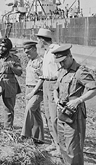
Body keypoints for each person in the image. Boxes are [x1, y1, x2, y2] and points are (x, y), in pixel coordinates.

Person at [52, 44, 96, 165]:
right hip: (62, 114)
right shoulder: (62, 71)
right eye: (59, 62)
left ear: (70, 56)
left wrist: (78, 100)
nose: (61, 64)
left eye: (63, 61)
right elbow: (55, 88)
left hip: (75, 116)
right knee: (63, 146)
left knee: (74, 149)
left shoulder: (80, 71)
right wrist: (56, 99)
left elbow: (95, 89)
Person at [26, 28, 61, 156]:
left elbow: (61, 70)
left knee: (54, 117)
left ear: (42, 40)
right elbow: (44, 74)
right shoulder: (46, 52)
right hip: (46, 84)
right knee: (47, 116)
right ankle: (54, 142)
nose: (37, 43)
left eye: (38, 40)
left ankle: (59, 147)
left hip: (53, 84)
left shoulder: (55, 50)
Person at [20, 41, 44, 144]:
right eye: (25, 52)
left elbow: (42, 78)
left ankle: (25, 134)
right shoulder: (30, 61)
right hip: (29, 88)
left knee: (29, 109)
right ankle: (39, 137)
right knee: (35, 113)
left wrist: (33, 92)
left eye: (29, 52)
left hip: (37, 90)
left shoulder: (40, 61)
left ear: (35, 49)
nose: (27, 54)